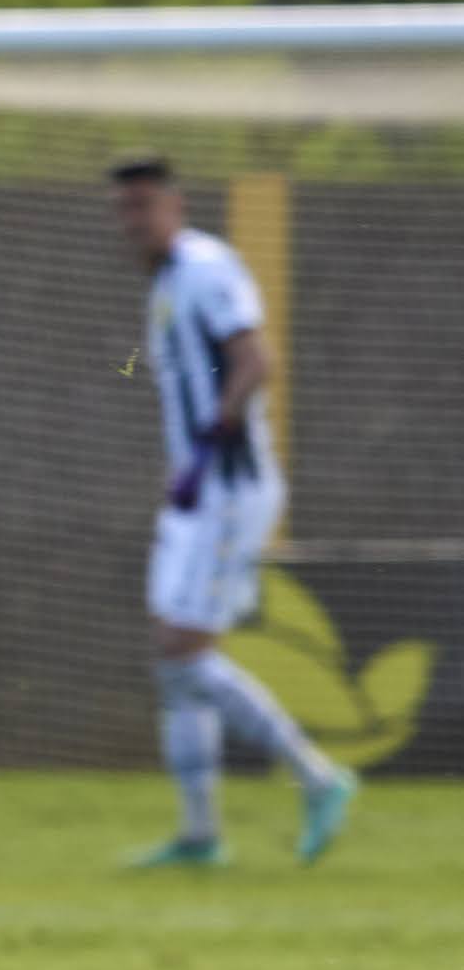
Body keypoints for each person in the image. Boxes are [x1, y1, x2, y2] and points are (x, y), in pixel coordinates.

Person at [110, 156, 353, 868]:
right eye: (121, 209)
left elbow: (254, 359)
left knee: (181, 651)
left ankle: (318, 777)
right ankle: (198, 834)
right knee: (172, 655)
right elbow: (166, 379)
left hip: (225, 487)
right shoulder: (161, 285)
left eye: (143, 206)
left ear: (175, 206)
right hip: (194, 490)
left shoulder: (206, 267)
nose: (131, 222)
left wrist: (208, 443)